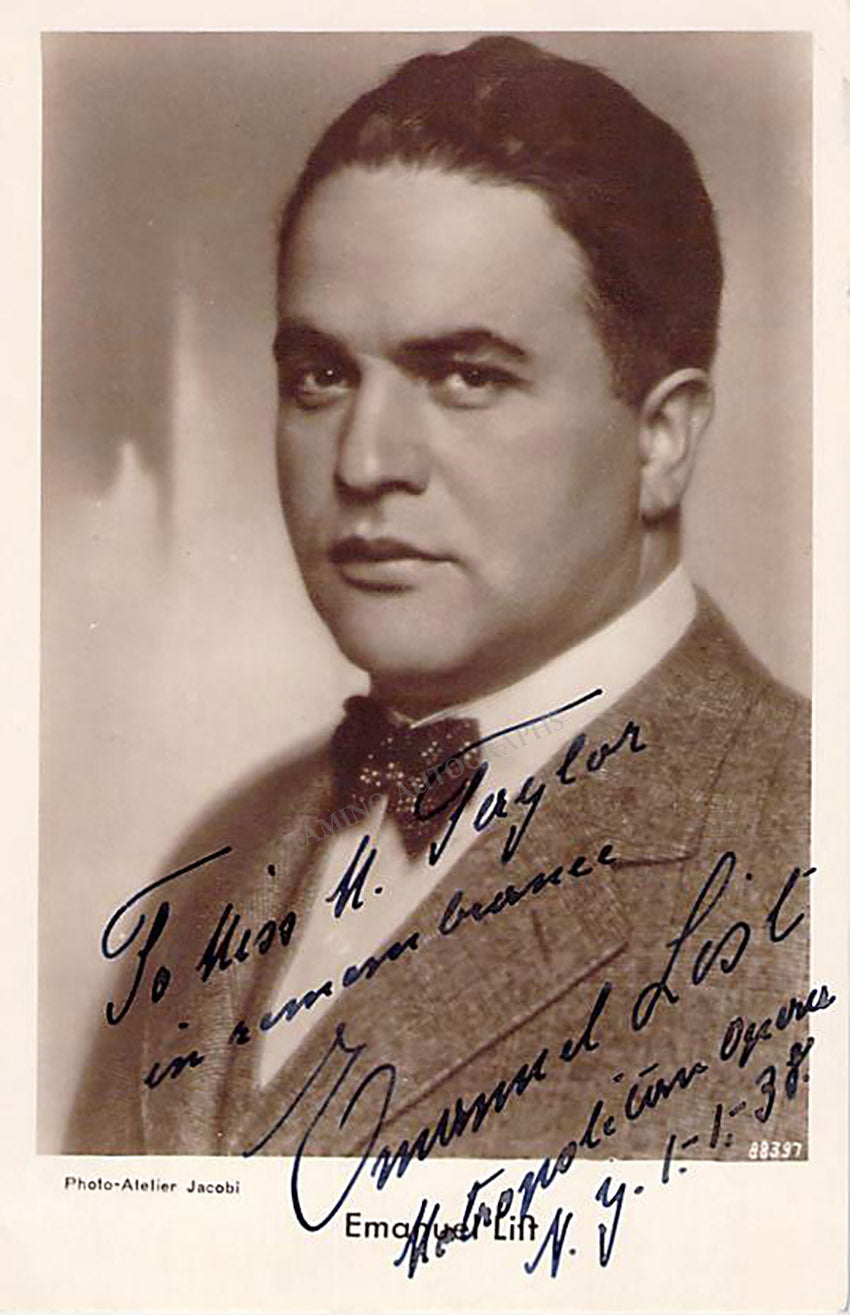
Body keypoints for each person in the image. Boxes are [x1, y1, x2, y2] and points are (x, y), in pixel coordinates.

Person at [67, 36, 812, 1164]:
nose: (365, 461)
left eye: (467, 376)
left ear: (662, 440)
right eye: (321, 375)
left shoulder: (799, 852)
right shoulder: (217, 857)